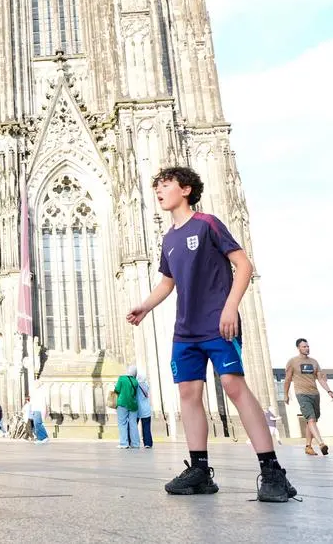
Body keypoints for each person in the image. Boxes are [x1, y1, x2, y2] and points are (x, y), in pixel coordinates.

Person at [126, 167, 296, 502]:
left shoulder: (208, 223)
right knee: (188, 393)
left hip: (218, 322)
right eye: (156, 186)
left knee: (234, 386)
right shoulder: (169, 239)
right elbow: (167, 282)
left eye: (165, 184)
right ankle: (200, 470)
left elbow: (244, 265)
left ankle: (273, 471)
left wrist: (231, 306)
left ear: (185, 189)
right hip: (185, 329)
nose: (158, 190)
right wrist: (145, 306)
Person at [283, 338, 333, 456]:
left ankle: (308, 446)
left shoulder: (314, 362)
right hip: (302, 393)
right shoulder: (292, 362)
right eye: (304, 347)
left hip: (315, 394)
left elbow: (320, 378)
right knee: (311, 419)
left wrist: (329, 390)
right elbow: (287, 379)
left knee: (312, 420)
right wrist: (285, 394)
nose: (307, 348)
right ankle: (321, 443)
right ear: (298, 348)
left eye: (307, 346)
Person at [114, 366, 142, 449]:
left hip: (122, 403)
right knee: (133, 424)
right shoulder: (135, 381)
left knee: (122, 423)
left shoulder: (121, 378)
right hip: (133, 404)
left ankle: (124, 443)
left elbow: (117, 390)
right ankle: (136, 444)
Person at [136, 371, 153, 449]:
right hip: (146, 409)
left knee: (133, 426)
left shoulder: (135, 385)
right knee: (146, 427)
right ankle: (148, 443)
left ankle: (132, 441)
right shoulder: (146, 385)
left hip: (137, 409)